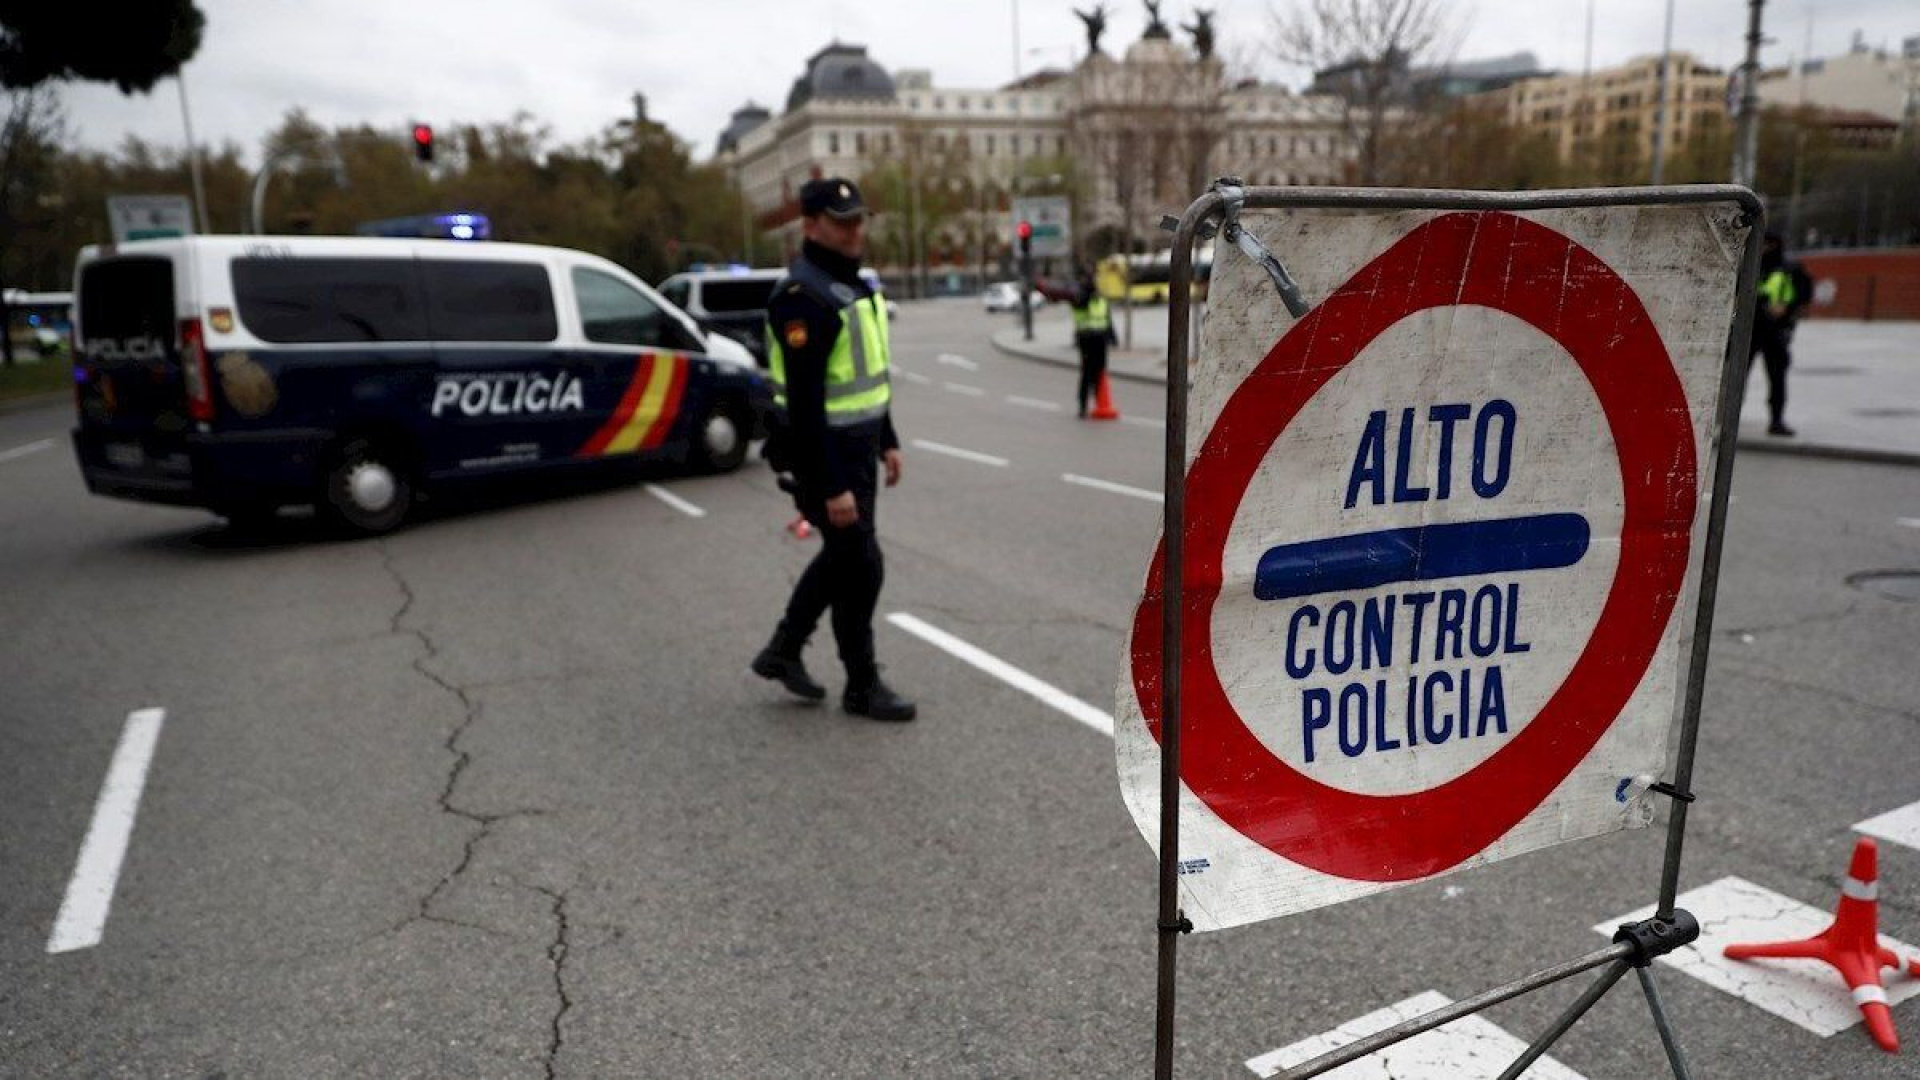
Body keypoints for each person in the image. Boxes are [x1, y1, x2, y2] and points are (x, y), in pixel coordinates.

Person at [751, 178, 916, 722]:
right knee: (860, 566)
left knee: (846, 559)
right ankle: (861, 685)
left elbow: (868, 378)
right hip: (827, 458)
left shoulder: (852, 285)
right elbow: (804, 408)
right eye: (842, 221)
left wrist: (887, 439)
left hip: (858, 450)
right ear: (812, 225)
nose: (854, 229)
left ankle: (783, 650)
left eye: (858, 218)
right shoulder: (805, 297)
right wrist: (832, 486)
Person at [1752, 233, 1813, 438]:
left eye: (1768, 245)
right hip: (1750, 329)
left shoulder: (1790, 267)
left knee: (1777, 378)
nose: (1764, 249)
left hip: (1776, 330)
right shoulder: (1750, 264)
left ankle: (1776, 420)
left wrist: (1787, 309)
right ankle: (1723, 419)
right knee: (1734, 378)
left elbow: (1804, 293)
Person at [1068, 267, 1117, 418]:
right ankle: (1083, 406)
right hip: (1086, 339)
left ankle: (1100, 403)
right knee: (1087, 373)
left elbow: (1107, 318)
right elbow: (1079, 304)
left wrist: (1112, 336)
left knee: (1100, 371)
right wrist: (1087, 293)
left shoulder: (1100, 297)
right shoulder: (1079, 296)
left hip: (1100, 339)